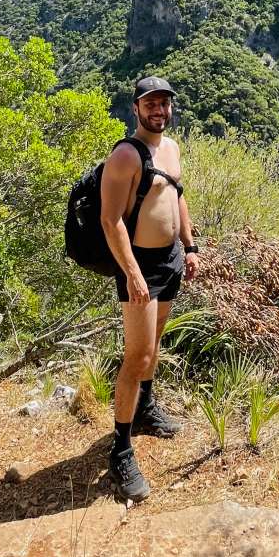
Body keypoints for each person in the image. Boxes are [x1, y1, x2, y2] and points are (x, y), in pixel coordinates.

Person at [100, 75, 199, 500]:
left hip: (170, 261)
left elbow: (176, 197)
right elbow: (111, 220)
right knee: (137, 355)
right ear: (136, 108)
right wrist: (132, 272)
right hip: (139, 265)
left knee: (154, 347)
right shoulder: (124, 156)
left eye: (164, 103)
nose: (159, 110)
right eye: (150, 104)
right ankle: (120, 447)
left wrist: (191, 246)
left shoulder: (172, 149)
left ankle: (145, 410)